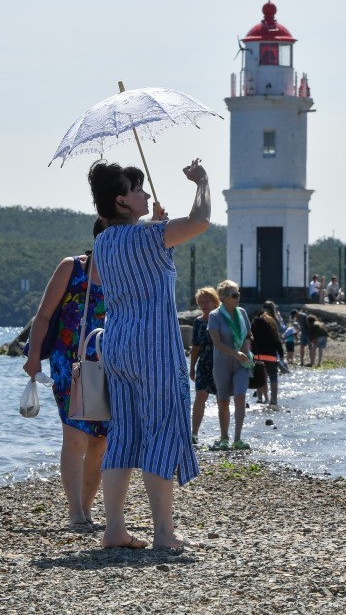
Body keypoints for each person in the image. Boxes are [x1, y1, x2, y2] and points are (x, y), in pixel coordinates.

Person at [88, 157, 210, 550]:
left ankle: (114, 529)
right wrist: (202, 182)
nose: (144, 194)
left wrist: (153, 228)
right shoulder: (146, 238)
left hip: (118, 343)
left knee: (122, 433)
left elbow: (97, 277)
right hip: (153, 344)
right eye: (137, 189)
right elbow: (200, 220)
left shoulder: (103, 240)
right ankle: (163, 533)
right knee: (161, 429)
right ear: (121, 201)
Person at [23, 221, 108, 532]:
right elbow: (44, 314)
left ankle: (86, 508)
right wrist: (33, 358)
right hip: (71, 360)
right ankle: (75, 511)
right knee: (75, 437)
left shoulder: (124, 272)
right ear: (101, 236)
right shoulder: (72, 267)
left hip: (110, 363)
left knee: (100, 441)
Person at [208, 279, 253, 450]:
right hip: (222, 362)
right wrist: (236, 353)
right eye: (234, 295)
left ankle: (238, 438)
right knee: (224, 400)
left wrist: (245, 348)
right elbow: (217, 343)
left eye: (238, 294)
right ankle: (224, 437)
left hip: (242, 363)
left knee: (241, 396)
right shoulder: (215, 316)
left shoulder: (242, 312)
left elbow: (248, 334)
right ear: (224, 297)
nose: (238, 298)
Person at [189, 286, 220, 445]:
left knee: (223, 399)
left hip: (221, 362)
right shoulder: (198, 322)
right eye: (201, 302)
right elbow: (195, 346)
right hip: (204, 363)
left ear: (215, 302)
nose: (204, 304)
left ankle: (224, 436)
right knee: (200, 396)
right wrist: (192, 366)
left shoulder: (222, 318)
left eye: (207, 301)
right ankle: (194, 432)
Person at [250, 307, 284, 406]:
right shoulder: (271, 325)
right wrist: (281, 354)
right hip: (271, 356)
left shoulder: (254, 324)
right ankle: (274, 400)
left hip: (258, 355)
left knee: (261, 377)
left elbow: (251, 339)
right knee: (273, 378)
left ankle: (264, 399)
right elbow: (277, 340)